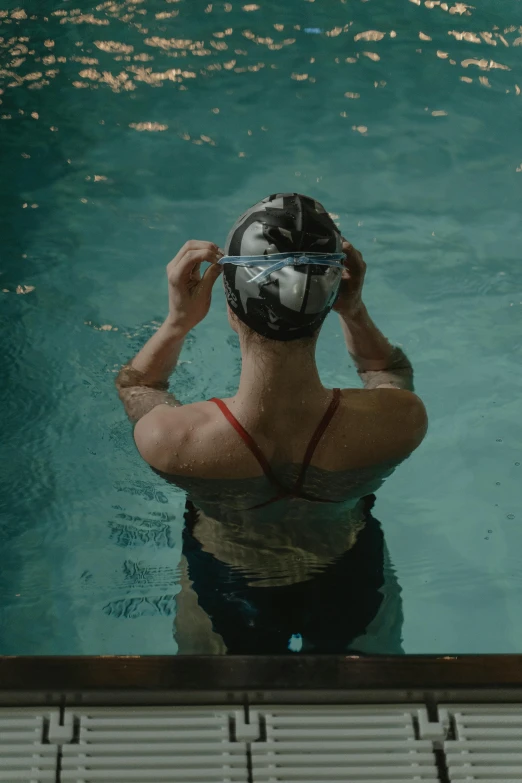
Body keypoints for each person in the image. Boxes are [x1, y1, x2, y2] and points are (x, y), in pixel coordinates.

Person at [115, 193, 428, 655]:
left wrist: (177, 322)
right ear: (330, 303)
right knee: (366, 706)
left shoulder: (172, 440)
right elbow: (390, 373)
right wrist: (355, 311)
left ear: (229, 306)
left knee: (221, 714)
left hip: (224, 580)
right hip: (350, 575)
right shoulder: (397, 423)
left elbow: (137, 385)